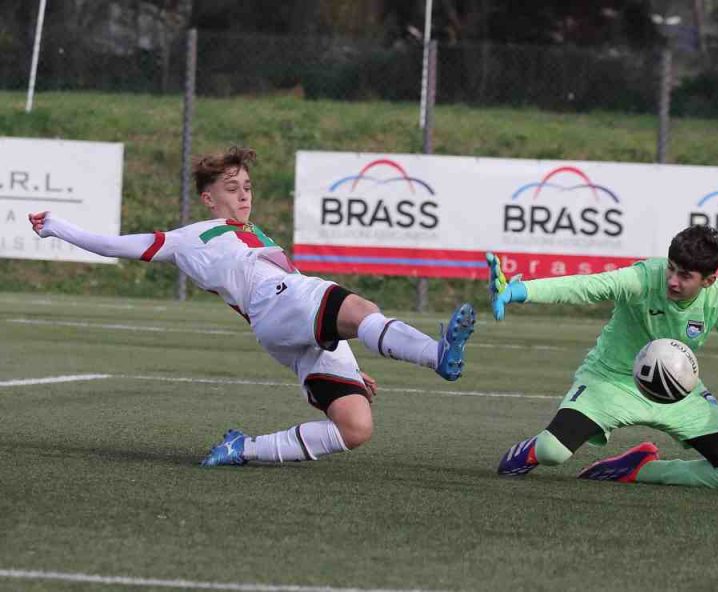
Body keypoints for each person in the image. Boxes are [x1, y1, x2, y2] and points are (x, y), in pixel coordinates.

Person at [28, 146, 476, 467]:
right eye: (232, 188)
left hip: (287, 319)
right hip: (278, 303)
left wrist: (346, 353)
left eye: (247, 186)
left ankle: (244, 448)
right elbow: (112, 245)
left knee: (355, 428)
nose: (244, 195)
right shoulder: (189, 238)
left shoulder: (256, 233)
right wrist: (56, 225)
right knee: (360, 307)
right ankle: (438, 355)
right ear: (208, 198)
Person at [489, 225, 718, 489]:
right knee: (552, 453)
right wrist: (519, 291)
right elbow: (586, 286)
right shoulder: (642, 279)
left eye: (685, 275)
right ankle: (532, 449)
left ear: (710, 280)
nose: (672, 280)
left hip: (677, 392)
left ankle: (638, 469)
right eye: (671, 268)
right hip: (611, 381)